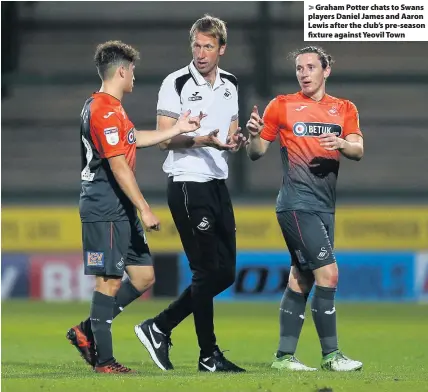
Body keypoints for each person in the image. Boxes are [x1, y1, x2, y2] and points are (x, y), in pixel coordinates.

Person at [66, 40, 205, 374]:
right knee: (109, 281)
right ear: (122, 71)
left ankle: (87, 330)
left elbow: (134, 140)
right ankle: (104, 360)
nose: (134, 78)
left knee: (143, 277)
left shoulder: (112, 108)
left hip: (118, 205)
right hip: (105, 204)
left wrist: (177, 129)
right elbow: (118, 165)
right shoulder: (101, 109)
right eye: (132, 72)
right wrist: (144, 207)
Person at [134, 15, 247, 373]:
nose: (201, 53)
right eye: (196, 45)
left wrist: (236, 140)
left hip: (216, 181)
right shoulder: (176, 82)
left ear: (221, 49)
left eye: (208, 46)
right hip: (187, 182)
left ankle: (159, 326)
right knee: (204, 271)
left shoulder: (230, 84)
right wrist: (200, 139)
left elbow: (228, 133)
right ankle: (208, 356)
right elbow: (164, 137)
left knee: (225, 273)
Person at [246, 46, 364, 372]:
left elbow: (358, 149)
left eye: (311, 67)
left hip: (325, 208)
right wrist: (253, 136)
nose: (304, 73)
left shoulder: (344, 109)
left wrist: (341, 144)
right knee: (328, 273)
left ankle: (284, 357)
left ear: (326, 70)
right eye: (300, 68)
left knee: (301, 278)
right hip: (296, 204)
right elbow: (257, 152)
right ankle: (332, 356)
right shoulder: (281, 106)